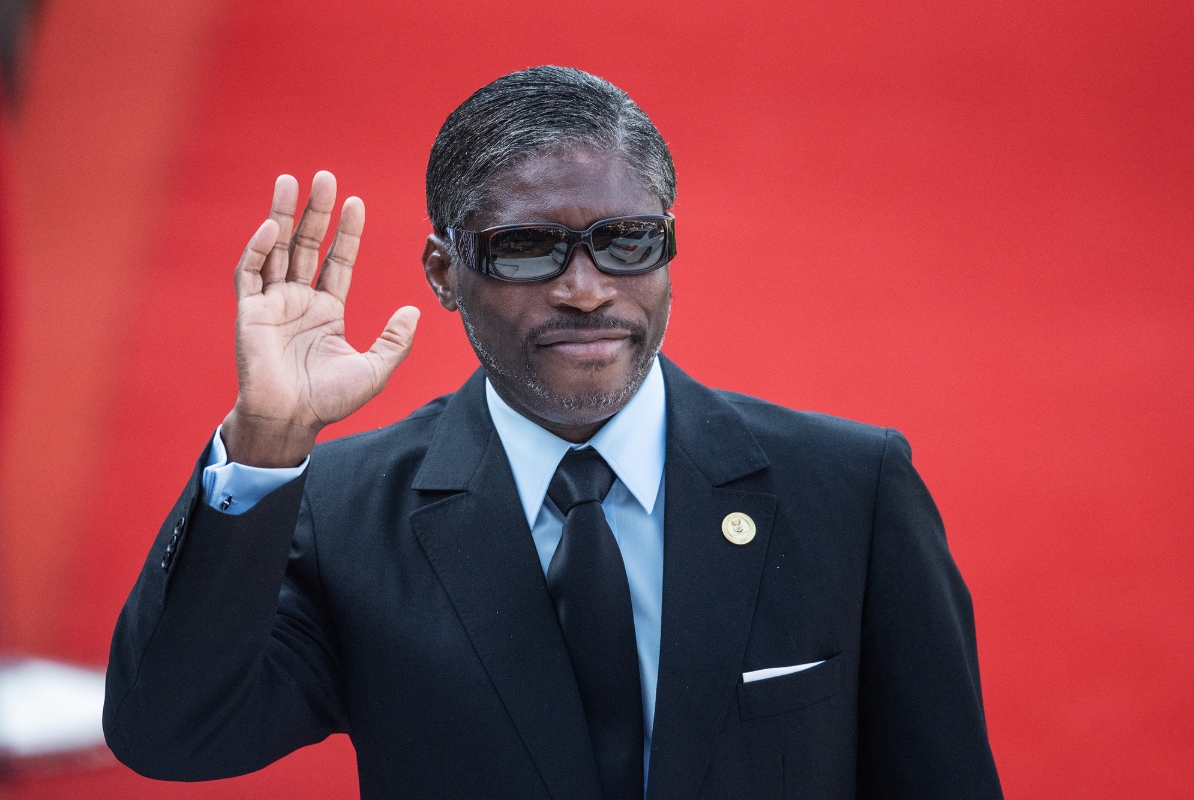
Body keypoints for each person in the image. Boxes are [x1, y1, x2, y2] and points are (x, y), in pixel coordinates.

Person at [103, 66, 1004, 800]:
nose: (585, 288)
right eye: (529, 248)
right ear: (444, 272)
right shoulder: (342, 515)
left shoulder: (850, 491)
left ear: (668, 250)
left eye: (628, 242)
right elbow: (174, 734)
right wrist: (265, 440)